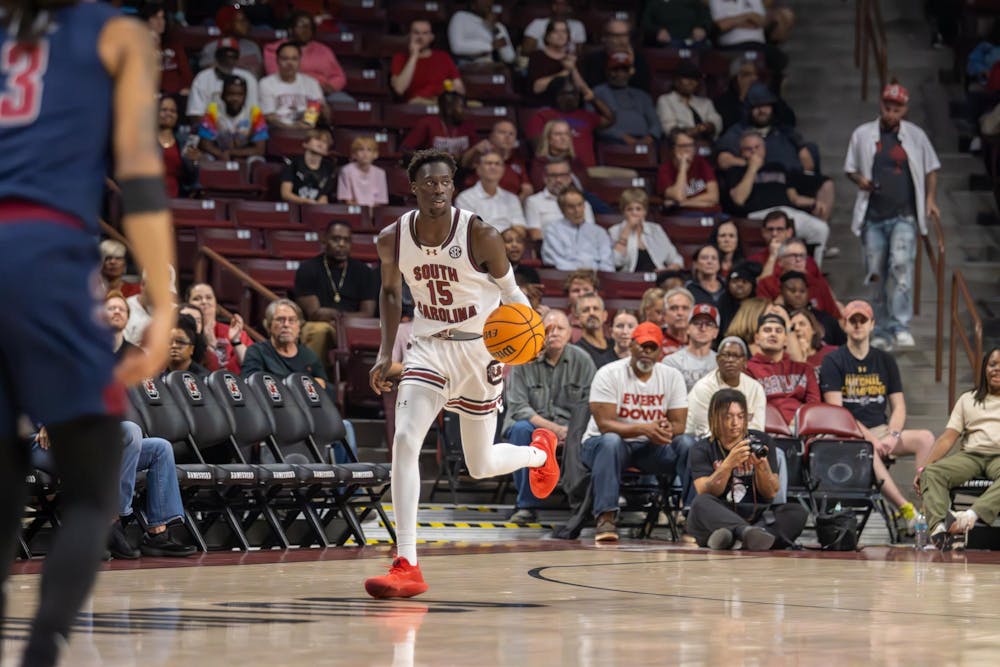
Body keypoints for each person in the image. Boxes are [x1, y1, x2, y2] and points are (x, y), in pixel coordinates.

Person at [0, 4, 175, 664]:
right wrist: (161, 298)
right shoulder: (117, 32)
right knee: (93, 484)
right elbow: (136, 168)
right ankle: (42, 650)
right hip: (44, 253)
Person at [365, 149, 559, 598]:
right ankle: (407, 562)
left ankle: (538, 454)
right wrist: (382, 352)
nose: (437, 190)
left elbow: (513, 296)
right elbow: (391, 294)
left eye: (445, 183)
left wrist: (522, 342)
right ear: (412, 188)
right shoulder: (391, 238)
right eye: (428, 183)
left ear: (454, 186)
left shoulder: (480, 234)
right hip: (429, 348)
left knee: (480, 463)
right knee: (405, 440)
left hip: (480, 351)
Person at [844, 82, 941, 349]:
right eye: (887, 107)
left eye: (897, 109)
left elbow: (931, 168)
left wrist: (930, 200)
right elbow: (850, 168)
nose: (891, 113)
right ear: (881, 105)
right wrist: (860, 180)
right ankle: (880, 327)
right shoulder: (863, 134)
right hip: (873, 216)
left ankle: (900, 325)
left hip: (904, 215)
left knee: (900, 267)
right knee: (875, 273)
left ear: (905, 110)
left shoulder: (916, 136)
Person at [820, 299, 933, 527]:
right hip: (848, 434)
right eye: (853, 320)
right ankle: (906, 511)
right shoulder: (833, 361)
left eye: (863, 320)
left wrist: (893, 435)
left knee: (925, 438)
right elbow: (838, 412)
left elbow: (899, 406)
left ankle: (927, 509)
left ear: (872, 324)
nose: (858, 325)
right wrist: (871, 439)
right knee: (868, 448)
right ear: (844, 325)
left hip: (882, 431)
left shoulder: (885, 360)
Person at [581, 322, 693, 542]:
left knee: (688, 444)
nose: (647, 352)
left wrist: (667, 429)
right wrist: (644, 428)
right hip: (602, 447)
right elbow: (605, 424)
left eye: (652, 348)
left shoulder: (672, 376)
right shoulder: (609, 373)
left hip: (650, 448)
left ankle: (691, 516)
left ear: (660, 351)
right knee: (611, 441)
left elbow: (679, 425)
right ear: (631, 346)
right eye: (642, 346)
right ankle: (606, 517)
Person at [504, 309, 595, 524]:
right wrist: (556, 430)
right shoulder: (524, 359)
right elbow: (518, 408)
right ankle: (527, 505)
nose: (553, 334)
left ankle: (582, 505)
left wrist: (571, 430)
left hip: (572, 428)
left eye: (560, 328)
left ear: (570, 332)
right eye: (548, 329)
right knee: (520, 429)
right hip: (533, 426)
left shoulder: (582, 360)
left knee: (588, 434)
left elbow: (591, 403)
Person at [688, 388, 807, 550]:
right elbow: (706, 491)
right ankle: (747, 534)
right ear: (714, 418)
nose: (735, 423)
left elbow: (771, 493)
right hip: (721, 513)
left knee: (796, 512)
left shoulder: (762, 441)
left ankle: (735, 538)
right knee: (700, 504)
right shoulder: (702, 448)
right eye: (727, 417)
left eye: (740, 416)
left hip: (757, 513)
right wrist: (728, 464)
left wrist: (761, 466)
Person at [918, 347, 1000, 550]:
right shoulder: (967, 399)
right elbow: (947, 438)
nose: (997, 369)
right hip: (970, 457)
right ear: (984, 369)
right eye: (992, 364)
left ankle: (969, 517)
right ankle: (940, 530)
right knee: (931, 472)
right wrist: (924, 468)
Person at [723, 130, 831, 265]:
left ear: (764, 149)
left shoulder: (777, 167)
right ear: (741, 152)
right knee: (785, 227)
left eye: (757, 147)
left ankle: (813, 271)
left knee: (820, 228)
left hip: (787, 210)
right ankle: (783, 267)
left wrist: (814, 202)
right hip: (759, 214)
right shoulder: (736, 171)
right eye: (748, 149)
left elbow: (793, 197)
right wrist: (752, 169)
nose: (754, 152)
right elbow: (739, 199)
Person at [294, 221, 378, 368]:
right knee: (319, 330)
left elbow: (368, 313)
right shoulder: (308, 269)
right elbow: (315, 314)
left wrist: (336, 316)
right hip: (321, 325)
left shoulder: (363, 271)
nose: (341, 244)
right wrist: (343, 317)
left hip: (352, 326)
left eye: (346, 240)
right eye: (336, 239)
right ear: (324, 240)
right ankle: (313, 379)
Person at [747, 313, 820, 426]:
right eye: (767, 330)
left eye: (778, 331)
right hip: (766, 429)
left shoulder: (804, 369)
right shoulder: (747, 370)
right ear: (757, 338)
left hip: (802, 429)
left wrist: (801, 424)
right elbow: (750, 409)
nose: (773, 334)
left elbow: (814, 405)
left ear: (786, 339)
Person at [686, 337, 767, 438]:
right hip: (700, 440)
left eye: (736, 356)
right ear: (717, 359)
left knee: (777, 452)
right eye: (726, 355)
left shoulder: (755, 388)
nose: (730, 360)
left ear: (745, 361)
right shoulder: (704, 387)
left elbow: (757, 429)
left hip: (741, 442)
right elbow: (704, 430)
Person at [263, 11, 351, 104]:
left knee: (346, 101)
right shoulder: (273, 49)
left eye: (309, 27)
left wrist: (331, 87)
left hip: (323, 93)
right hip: (290, 93)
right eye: (302, 27)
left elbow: (339, 76)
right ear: (290, 29)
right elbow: (277, 76)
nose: (306, 31)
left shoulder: (323, 50)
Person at [527, 76, 614, 169]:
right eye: (569, 93)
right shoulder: (542, 116)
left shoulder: (586, 115)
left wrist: (591, 97)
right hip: (560, 170)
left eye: (576, 93)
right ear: (557, 95)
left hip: (589, 171)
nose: (574, 97)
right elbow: (540, 149)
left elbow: (609, 119)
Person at [241, 299, 330, 383]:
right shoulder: (257, 352)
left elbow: (327, 389)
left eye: (292, 320)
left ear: (299, 327)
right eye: (280, 320)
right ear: (269, 326)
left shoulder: (309, 356)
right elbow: (250, 383)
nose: (286, 325)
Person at [756, 238, 840, 319]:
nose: (798, 259)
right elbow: (760, 317)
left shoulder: (818, 283)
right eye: (793, 256)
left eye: (802, 256)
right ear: (780, 261)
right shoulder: (767, 284)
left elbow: (835, 316)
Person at [593, 51, 660, 147]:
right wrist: (623, 137)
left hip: (644, 142)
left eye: (624, 70)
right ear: (607, 71)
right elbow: (594, 123)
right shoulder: (597, 92)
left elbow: (655, 123)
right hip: (613, 142)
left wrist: (649, 137)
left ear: (630, 72)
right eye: (615, 70)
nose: (620, 74)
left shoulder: (642, 95)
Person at [713, 55, 796, 133]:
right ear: (735, 79)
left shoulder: (768, 98)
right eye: (747, 74)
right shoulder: (723, 103)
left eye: (756, 75)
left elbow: (789, 121)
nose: (754, 78)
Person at [186, 37, 259, 125]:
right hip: (209, 131)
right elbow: (195, 114)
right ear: (216, 57)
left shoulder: (248, 78)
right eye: (224, 55)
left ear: (238, 58)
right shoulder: (202, 78)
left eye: (232, 56)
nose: (228, 59)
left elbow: (254, 113)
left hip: (242, 131)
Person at [196, 75, 268, 163]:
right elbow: (205, 145)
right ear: (222, 95)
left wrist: (231, 153)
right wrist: (221, 154)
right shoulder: (213, 111)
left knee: (257, 161)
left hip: (244, 155)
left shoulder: (255, 113)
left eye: (240, 95)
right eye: (230, 94)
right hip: (218, 152)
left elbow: (259, 149)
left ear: (245, 96)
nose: (235, 98)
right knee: (205, 159)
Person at [609, 188, 683, 272]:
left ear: (645, 211)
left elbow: (675, 259)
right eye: (629, 209)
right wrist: (626, 231)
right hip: (631, 279)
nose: (634, 213)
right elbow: (616, 262)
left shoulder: (655, 229)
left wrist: (669, 269)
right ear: (623, 212)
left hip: (658, 277)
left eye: (638, 209)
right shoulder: (614, 231)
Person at [390, 19, 464, 104]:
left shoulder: (443, 57)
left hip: (440, 105)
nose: (420, 37)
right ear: (410, 35)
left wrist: (452, 90)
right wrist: (414, 56)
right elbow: (399, 89)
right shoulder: (399, 58)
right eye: (416, 33)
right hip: (416, 108)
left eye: (425, 33)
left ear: (431, 37)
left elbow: (460, 88)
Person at [455, 148, 527, 234]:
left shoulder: (512, 198)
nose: (493, 167)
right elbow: (467, 230)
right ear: (478, 169)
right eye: (488, 163)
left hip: (507, 244)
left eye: (497, 164)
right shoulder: (465, 198)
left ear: (503, 170)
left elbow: (521, 229)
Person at [541, 186, 614, 271]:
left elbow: (607, 263)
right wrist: (581, 274)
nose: (577, 210)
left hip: (596, 278)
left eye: (580, 205)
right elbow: (555, 260)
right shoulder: (553, 231)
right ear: (562, 209)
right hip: (565, 277)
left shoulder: (599, 232)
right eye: (571, 207)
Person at [259, 41, 327, 130]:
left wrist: (324, 111)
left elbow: (317, 113)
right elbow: (270, 118)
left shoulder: (311, 83)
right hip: (280, 132)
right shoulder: (266, 83)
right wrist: (294, 128)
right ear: (277, 61)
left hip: (308, 132)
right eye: (285, 59)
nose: (290, 63)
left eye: (294, 59)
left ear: (299, 61)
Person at [524, 156, 595, 241]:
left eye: (562, 175)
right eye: (553, 176)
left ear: (569, 178)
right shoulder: (533, 202)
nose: (558, 180)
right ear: (545, 178)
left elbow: (589, 234)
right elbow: (535, 235)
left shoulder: (583, 203)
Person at [186, 283, 251, 374]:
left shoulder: (234, 332)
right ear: (188, 304)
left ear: (215, 303)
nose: (204, 302)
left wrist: (236, 340)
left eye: (209, 297)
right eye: (197, 298)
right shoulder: (184, 332)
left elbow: (251, 365)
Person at [401, 90, 479, 161]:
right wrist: (429, 158)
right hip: (433, 169)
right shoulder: (428, 123)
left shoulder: (468, 125)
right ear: (448, 109)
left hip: (462, 170)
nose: (465, 111)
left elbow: (475, 149)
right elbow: (406, 149)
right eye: (461, 107)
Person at [657, 128, 721, 214]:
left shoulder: (701, 163)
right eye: (683, 146)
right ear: (673, 149)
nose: (688, 150)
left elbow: (714, 197)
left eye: (691, 145)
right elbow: (679, 196)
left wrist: (684, 203)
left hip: (707, 213)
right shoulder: (665, 169)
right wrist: (683, 167)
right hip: (682, 217)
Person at [656, 61, 722, 141]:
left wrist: (707, 126)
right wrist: (693, 131)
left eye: (695, 79)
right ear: (676, 80)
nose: (691, 82)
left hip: (705, 143)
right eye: (687, 78)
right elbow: (669, 128)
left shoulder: (706, 102)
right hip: (679, 145)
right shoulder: (666, 100)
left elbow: (717, 122)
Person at [581, 18, 651, 91]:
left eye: (625, 35)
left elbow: (642, 91)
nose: (621, 40)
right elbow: (592, 90)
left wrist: (630, 66)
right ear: (604, 38)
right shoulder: (594, 60)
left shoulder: (639, 60)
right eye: (615, 35)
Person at [663, 303, 719, 392]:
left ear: (716, 332)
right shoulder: (672, 362)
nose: (703, 328)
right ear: (688, 328)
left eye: (709, 324)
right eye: (697, 323)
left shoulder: (721, 363)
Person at [779, 271, 844, 346]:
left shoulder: (826, 319)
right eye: (792, 290)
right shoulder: (777, 317)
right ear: (782, 291)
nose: (798, 295)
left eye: (802, 291)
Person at [142, 1, 191, 97]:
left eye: (163, 18)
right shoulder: (138, 47)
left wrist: (187, 88)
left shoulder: (174, 45)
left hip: (176, 96)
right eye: (155, 18)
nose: (160, 22)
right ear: (146, 21)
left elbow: (186, 74)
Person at [197, 5, 262, 75]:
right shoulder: (211, 48)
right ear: (227, 23)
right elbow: (208, 76)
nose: (246, 24)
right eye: (241, 21)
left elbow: (259, 74)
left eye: (246, 20)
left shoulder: (253, 46)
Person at [447, 0, 516, 66]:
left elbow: (509, 58)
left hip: (488, 66)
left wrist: (494, 29)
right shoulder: (460, 17)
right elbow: (456, 47)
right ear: (473, 3)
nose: (487, 2)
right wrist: (490, 46)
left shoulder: (498, 26)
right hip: (465, 65)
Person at [280, 128, 336, 205]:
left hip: (315, 210)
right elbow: (285, 194)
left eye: (325, 142)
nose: (321, 144)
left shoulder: (329, 168)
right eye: (317, 139)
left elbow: (323, 196)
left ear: (327, 151)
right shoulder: (292, 163)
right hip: (294, 207)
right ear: (305, 144)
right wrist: (306, 202)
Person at [528, 118, 588, 191]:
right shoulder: (539, 163)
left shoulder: (576, 161)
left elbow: (585, 188)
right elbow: (541, 189)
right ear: (548, 139)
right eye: (558, 134)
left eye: (567, 134)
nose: (563, 138)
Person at [158, 94, 199, 197]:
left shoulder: (183, 141)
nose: (169, 114)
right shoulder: (145, 139)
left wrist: (194, 162)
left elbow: (191, 179)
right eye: (164, 110)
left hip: (177, 196)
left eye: (173, 111)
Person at [336, 135, 389, 209]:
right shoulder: (346, 171)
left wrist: (369, 212)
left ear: (375, 154)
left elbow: (380, 200)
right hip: (353, 211)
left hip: (373, 212)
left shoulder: (380, 173)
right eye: (361, 149)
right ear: (354, 154)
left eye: (369, 150)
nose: (365, 153)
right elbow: (346, 199)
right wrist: (362, 211)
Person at [521, 0, 587, 53]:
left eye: (563, 4)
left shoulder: (577, 25)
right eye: (557, 4)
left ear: (569, 7)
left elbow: (580, 52)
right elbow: (526, 51)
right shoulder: (537, 24)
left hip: (568, 61)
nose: (560, 7)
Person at [574, 292, 617, 369]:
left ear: (605, 316)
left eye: (596, 309)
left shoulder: (616, 346)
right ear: (577, 319)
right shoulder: (576, 353)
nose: (591, 313)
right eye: (585, 310)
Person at [641, 0, 713, 46]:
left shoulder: (696, 3)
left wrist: (702, 28)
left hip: (694, 44)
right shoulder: (653, 3)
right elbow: (645, 23)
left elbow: (706, 18)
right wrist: (657, 31)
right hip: (665, 46)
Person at [789, 308, 837, 373]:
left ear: (813, 329)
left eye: (802, 324)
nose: (797, 328)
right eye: (793, 327)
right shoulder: (787, 360)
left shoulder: (833, 353)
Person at [106, 290, 140, 362]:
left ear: (127, 318)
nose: (117, 311)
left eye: (122, 309)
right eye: (111, 308)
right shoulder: (88, 351)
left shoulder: (138, 355)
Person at [662, 286, 695, 355]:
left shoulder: (700, 342)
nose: (680, 313)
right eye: (674, 308)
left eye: (685, 308)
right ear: (664, 314)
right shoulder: (656, 342)